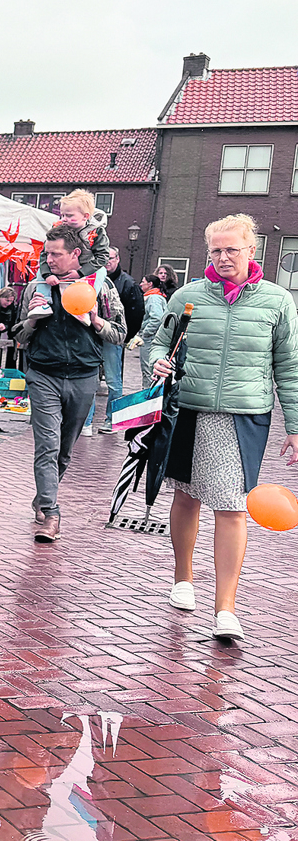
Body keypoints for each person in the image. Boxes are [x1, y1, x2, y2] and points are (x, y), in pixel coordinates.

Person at [153, 213, 298, 641]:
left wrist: (295, 425)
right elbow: (159, 341)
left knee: (233, 505)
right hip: (191, 409)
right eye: (215, 250)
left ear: (251, 250)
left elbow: (289, 367)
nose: (222, 257)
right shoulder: (187, 296)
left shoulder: (277, 301)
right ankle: (183, 578)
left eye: (231, 249)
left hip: (245, 414)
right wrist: (156, 362)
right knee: (186, 493)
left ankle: (226, 608)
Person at [21, 224, 126, 543]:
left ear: (76, 254)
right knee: (47, 446)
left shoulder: (100, 288)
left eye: (55, 254)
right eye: (46, 253)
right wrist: (31, 320)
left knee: (64, 450)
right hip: (43, 374)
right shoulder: (36, 287)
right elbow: (20, 338)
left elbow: (120, 333)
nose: (48, 259)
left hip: (83, 377)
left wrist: (96, 321)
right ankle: (51, 514)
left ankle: (42, 498)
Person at [23, 190, 111, 329]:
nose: (64, 219)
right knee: (41, 271)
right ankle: (43, 303)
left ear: (85, 216)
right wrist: (47, 274)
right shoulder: (58, 228)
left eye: (69, 216)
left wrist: (82, 272)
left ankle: (86, 305)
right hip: (61, 267)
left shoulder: (96, 232)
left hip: (86, 266)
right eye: (62, 214)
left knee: (101, 272)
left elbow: (103, 256)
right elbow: (45, 253)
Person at [90, 246, 143, 434]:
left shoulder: (127, 283)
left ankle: (111, 420)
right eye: (104, 259)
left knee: (113, 380)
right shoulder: (92, 277)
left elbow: (136, 312)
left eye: (110, 258)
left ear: (118, 259)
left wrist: (125, 337)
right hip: (92, 334)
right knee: (90, 379)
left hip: (112, 336)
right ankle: (87, 421)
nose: (107, 262)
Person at [131, 274, 169, 386]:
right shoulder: (155, 296)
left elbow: (157, 318)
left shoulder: (153, 298)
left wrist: (145, 334)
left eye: (143, 282)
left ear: (150, 284)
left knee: (148, 368)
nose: (141, 284)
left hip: (150, 338)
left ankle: (148, 395)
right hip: (151, 337)